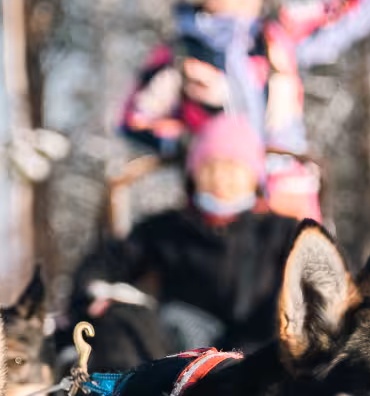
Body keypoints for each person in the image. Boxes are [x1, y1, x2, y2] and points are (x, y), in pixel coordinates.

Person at [119, 0, 370, 221]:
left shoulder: (276, 36)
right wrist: (192, 144)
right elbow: (135, 120)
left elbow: (349, 14)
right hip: (221, 199)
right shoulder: (179, 57)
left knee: (310, 265)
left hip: (289, 193)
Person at [79, 116, 302, 353]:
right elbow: (104, 264)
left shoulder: (283, 232)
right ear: (194, 175)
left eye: (232, 168)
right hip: (182, 354)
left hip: (264, 355)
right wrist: (94, 296)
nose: (220, 178)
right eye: (210, 167)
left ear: (253, 177)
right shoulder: (167, 229)